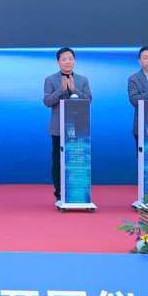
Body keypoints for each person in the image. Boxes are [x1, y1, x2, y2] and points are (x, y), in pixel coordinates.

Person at [43, 47, 92, 202]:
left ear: (74, 61)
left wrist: (73, 89)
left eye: (70, 59)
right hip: (59, 128)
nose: (67, 62)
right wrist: (61, 90)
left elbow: (88, 100)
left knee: (78, 161)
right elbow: (47, 102)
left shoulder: (82, 79)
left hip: (79, 129)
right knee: (58, 162)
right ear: (58, 62)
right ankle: (59, 194)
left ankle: (78, 193)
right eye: (64, 59)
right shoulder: (50, 79)